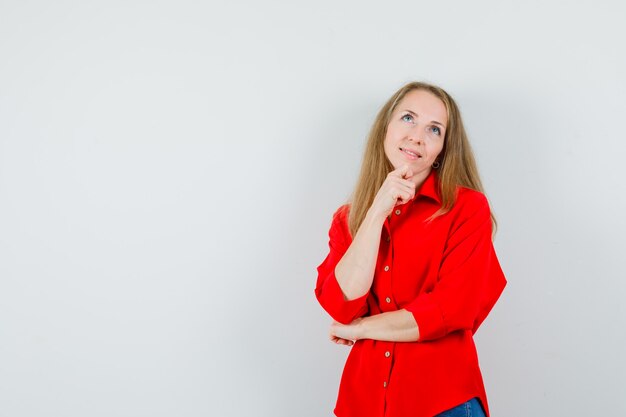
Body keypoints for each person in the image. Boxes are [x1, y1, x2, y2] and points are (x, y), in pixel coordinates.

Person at [314, 81, 507, 417]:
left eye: (434, 129)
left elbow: (448, 310)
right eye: (408, 119)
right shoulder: (348, 219)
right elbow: (342, 304)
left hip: (442, 402)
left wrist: (362, 329)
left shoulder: (467, 209)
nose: (418, 136)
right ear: (384, 129)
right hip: (364, 403)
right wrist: (376, 212)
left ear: (443, 149)